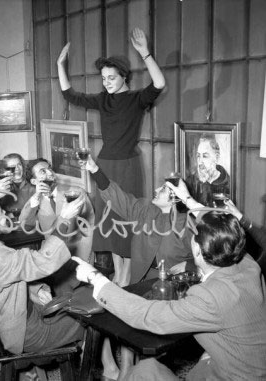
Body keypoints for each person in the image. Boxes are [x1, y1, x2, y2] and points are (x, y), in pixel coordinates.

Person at [72, 209, 266, 381]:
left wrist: (96, 278)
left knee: (144, 371)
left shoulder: (210, 297)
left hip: (235, 375)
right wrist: (188, 198)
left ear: (197, 249)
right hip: (246, 365)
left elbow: (148, 315)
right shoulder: (248, 264)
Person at [57, 27, 166, 287]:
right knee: (109, 223)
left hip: (128, 166)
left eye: (111, 78)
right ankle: (119, 273)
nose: (106, 82)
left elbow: (159, 84)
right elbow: (69, 94)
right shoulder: (103, 100)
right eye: (103, 78)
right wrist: (60, 65)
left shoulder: (137, 99)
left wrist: (145, 53)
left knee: (126, 222)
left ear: (124, 77)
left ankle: (127, 276)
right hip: (103, 166)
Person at [81, 155, 196, 380]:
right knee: (110, 309)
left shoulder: (187, 222)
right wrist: (95, 169)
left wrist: (189, 263)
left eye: (162, 189)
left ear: (174, 198)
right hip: (142, 279)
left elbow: (211, 252)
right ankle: (117, 368)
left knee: (137, 316)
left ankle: (134, 370)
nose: (156, 190)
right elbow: (117, 196)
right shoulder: (145, 209)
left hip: (171, 287)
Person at [0, 195, 84, 378]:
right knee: (91, 320)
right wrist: (65, 219)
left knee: (76, 304)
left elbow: (13, 276)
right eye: (1, 212)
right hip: (27, 333)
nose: (5, 213)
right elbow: (44, 261)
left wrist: (37, 290)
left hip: (19, 320)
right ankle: (100, 371)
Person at [21, 158, 95, 263]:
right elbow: (26, 224)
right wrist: (36, 196)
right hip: (51, 255)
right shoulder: (36, 201)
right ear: (34, 181)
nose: (49, 173)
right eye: (43, 171)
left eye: (49, 169)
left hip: (78, 254)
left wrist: (82, 257)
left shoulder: (75, 193)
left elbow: (89, 225)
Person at [186, 133, 230, 207]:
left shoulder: (228, 183)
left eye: (205, 156)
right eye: (198, 156)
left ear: (216, 158)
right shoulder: (191, 181)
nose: (200, 161)